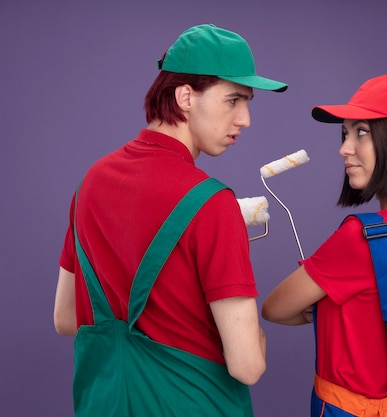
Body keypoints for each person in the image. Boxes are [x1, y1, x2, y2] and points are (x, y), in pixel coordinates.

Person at [53, 24, 287, 416]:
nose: (245, 119)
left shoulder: (91, 182)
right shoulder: (213, 204)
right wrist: (256, 336)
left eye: (247, 102)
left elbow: (65, 318)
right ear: (185, 97)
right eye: (233, 100)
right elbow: (248, 366)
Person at [262, 74, 387, 417]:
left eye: (361, 132)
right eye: (345, 133)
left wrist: (321, 307)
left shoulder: (363, 236)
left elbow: (275, 308)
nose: (344, 148)